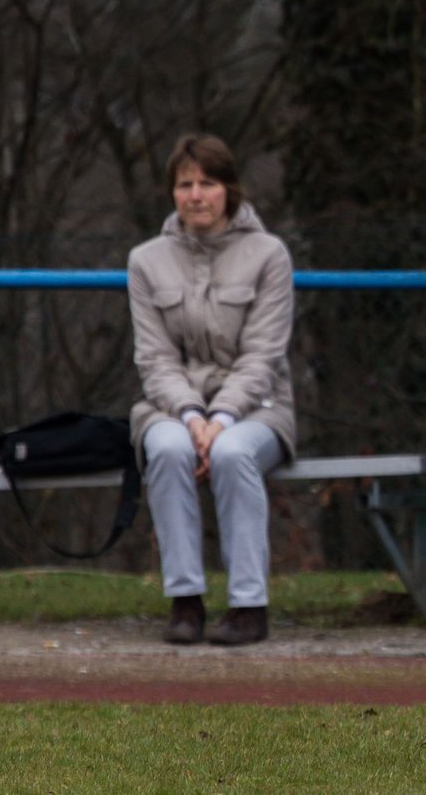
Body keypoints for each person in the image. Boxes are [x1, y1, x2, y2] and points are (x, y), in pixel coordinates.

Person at [128, 133, 297, 646]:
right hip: (171, 409)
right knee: (166, 448)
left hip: (259, 409)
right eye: (185, 184)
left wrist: (220, 419)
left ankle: (249, 606)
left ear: (230, 190)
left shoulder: (269, 254)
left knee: (231, 454)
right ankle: (185, 602)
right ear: (171, 192)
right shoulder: (145, 261)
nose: (195, 195)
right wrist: (190, 416)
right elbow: (154, 358)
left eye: (208, 183)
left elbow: (263, 355)